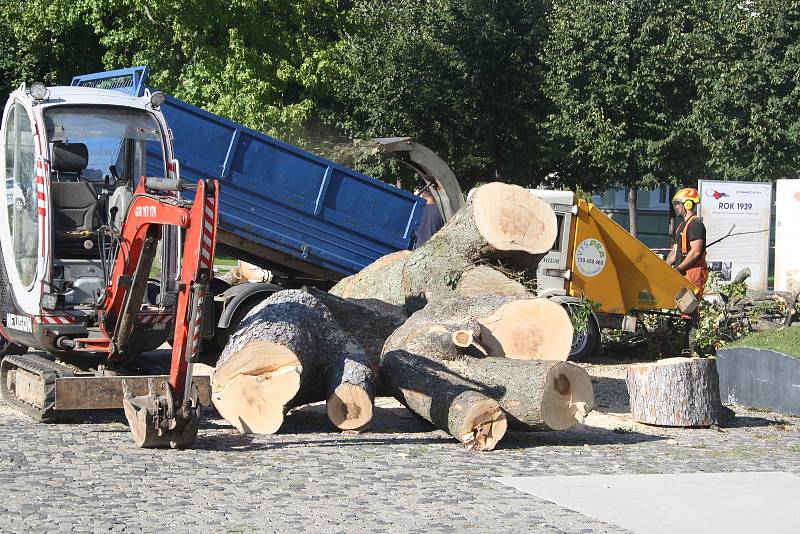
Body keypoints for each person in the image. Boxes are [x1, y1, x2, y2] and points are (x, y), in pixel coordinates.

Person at [666, 187, 709, 352]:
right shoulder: (681, 226)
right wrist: (664, 265)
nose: (676, 207)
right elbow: (675, 252)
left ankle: (693, 349)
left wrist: (680, 267)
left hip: (694, 272)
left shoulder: (696, 224)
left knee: (692, 311)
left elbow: (696, 251)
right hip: (683, 273)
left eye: (678, 204)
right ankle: (685, 348)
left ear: (688, 203)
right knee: (684, 311)